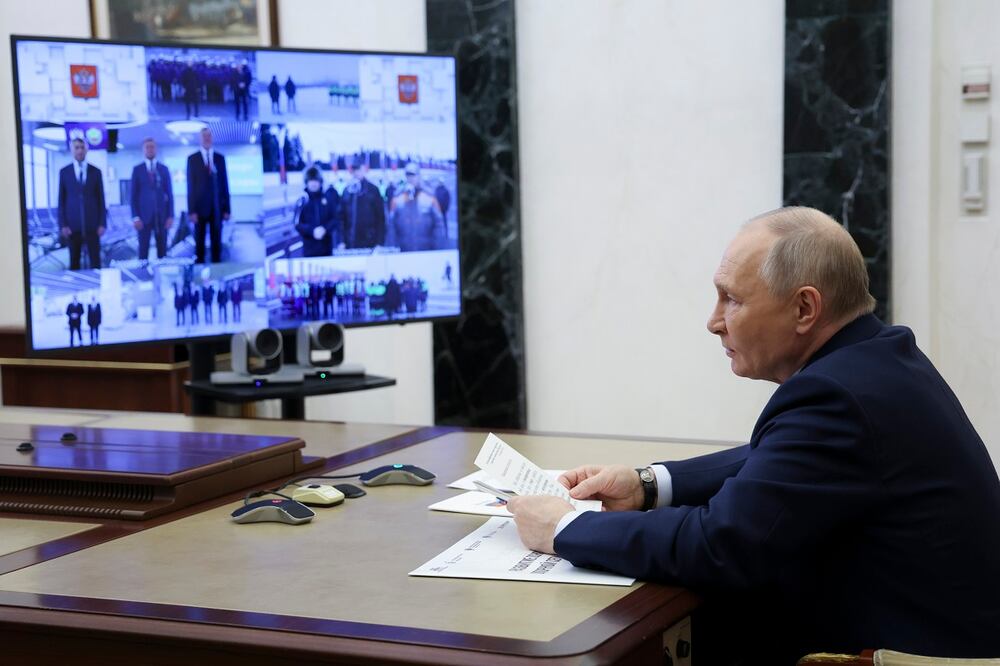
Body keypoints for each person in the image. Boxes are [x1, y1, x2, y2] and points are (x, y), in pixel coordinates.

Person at [505, 207, 1000, 662]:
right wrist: (648, 484)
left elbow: (721, 546)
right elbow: (773, 461)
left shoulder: (834, 397)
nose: (713, 322)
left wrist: (565, 529)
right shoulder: (877, 358)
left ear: (805, 309)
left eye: (732, 299)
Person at [57, 138, 106, 270]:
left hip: (93, 225)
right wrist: (63, 225)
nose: (79, 150)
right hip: (72, 226)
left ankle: (97, 288)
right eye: (76, 147)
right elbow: (61, 200)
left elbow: (101, 199)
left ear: (86, 149)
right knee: (74, 261)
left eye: (82, 147)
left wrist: (102, 223)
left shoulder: (96, 172)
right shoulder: (64, 172)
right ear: (71, 150)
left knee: (95, 261)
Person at [186, 127, 231, 264]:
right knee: (199, 243)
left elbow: (225, 184)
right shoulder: (192, 159)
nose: (207, 138)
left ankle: (216, 265)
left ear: (212, 138)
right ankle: (200, 266)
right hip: (199, 210)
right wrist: (191, 211)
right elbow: (190, 187)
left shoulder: (220, 158)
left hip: (217, 209)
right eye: (204, 136)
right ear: (200, 139)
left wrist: (227, 209)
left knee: (216, 241)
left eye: (209, 136)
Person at [130, 137, 174, 262]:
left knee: (163, 252)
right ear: (143, 150)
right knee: (143, 251)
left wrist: (170, 216)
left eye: (152, 147)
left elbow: (169, 194)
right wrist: (135, 217)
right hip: (143, 218)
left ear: (156, 149)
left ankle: (163, 278)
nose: (150, 149)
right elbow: (133, 196)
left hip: (162, 217)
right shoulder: (137, 170)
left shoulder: (163, 169)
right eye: (147, 147)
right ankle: (142, 277)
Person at [386, 162, 445, 252]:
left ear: (419, 176)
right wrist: (392, 249)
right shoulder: (397, 199)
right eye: (408, 175)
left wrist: (438, 249)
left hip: (426, 250)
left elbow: (439, 225)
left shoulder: (430, 197)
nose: (411, 178)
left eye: (413, 175)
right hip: (403, 250)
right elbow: (391, 227)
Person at [338, 156, 385, 249]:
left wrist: (380, 242)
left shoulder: (373, 190)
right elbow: (341, 218)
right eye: (354, 169)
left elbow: (381, 218)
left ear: (364, 169)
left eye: (358, 169)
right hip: (350, 242)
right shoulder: (347, 191)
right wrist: (342, 241)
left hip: (370, 242)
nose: (356, 172)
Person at [294, 167, 340, 257]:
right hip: (309, 249)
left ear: (320, 182)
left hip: (326, 249)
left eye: (316, 181)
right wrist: (312, 231)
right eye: (311, 181)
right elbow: (297, 223)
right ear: (306, 182)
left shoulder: (327, 199)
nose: (313, 184)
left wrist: (325, 229)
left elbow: (335, 219)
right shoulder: (302, 200)